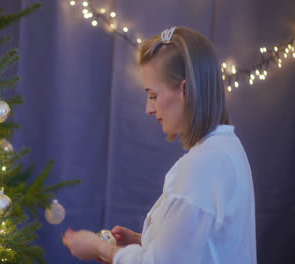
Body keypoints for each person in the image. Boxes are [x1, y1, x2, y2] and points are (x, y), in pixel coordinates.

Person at [62, 26, 257, 264]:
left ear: (185, 89)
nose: (148, 108)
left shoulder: (201, 166)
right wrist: (142, 241)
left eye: (153, 95)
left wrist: (99, 248)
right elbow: (196, 247)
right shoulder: (226, 149)